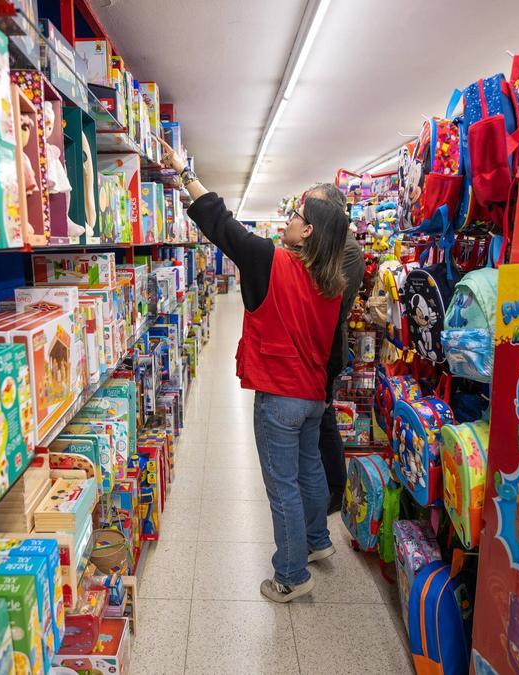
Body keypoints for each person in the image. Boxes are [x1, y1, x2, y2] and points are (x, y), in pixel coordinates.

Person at [163, 142, 349, 603]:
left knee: (281, 484)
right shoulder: (331, 283)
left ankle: (290, 573)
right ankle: (318, 541)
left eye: (295, 215)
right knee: (309, 471)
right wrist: (324, 392)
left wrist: (183, 172)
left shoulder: (271, 260)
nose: (287, 219)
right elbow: (331, 348)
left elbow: (220, 224)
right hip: (311, 398)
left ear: (307, 232)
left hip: (280, 398)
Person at [320, 215, 365, 515]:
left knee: (324, 418)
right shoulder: (334, 246)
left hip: (330, 345)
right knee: (322, 418)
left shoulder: (348, 251)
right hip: (323, 342)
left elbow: (329, 296)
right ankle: (329, 483)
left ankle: (336, 487)